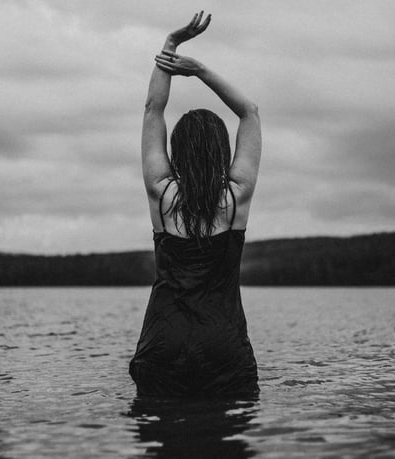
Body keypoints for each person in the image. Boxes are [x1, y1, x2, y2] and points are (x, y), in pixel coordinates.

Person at [129, 11, 262, 397]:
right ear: (224, 153)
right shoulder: (236, 198)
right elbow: (249, 112)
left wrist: (171, 47)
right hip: (224, 347)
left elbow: (153, 110)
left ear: (176, 152)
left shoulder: (162, 193)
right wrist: (199, 69)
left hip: (163, 344)